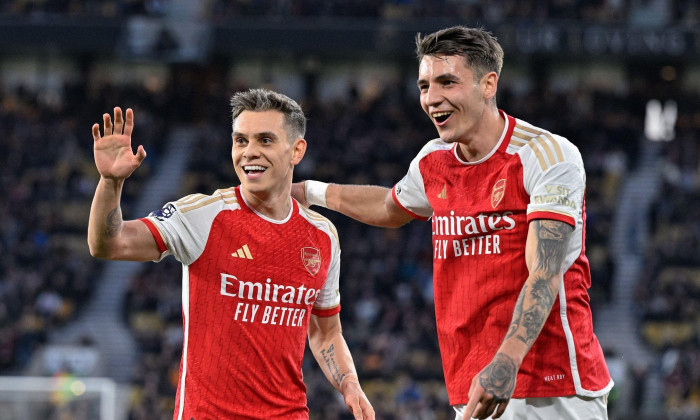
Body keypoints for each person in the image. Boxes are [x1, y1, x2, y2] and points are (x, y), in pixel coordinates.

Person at [294, 26, 613, 420]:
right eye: (425, 85)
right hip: (473, 383)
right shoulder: (434, 160)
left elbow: (544, 273)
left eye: (448, 82)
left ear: (488, 84)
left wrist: (506, 361)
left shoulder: (546, 155)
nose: (432, 98)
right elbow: (390, 205)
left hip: (550, 386)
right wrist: (307, 191)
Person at [87, 88, 375, 420]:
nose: (249, 152)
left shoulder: (322, 236)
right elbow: (109, 244)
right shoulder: (203, 215)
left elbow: (326, 332)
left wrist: (350, 384)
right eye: (241, 141)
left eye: (265, 140)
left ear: (297, 150)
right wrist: (110, 183)